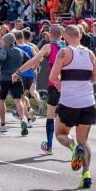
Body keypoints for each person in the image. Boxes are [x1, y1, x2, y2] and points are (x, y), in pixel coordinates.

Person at [47, 25, 96, 188]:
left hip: (69, 102)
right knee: (84, 140)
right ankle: (86, 174)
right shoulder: (90, 54)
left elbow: (52, 76)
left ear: (65, 36)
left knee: (61, 134)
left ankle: (73, 147)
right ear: (80, 36)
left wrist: (60, 82)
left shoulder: (64, 52)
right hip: (88, 102)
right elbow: (95, 79)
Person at [14, 25, 65, 153]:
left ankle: (49, 146)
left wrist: (18, 72)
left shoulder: (48, 47)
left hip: (55, 84)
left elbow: (34, 60)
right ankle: (76, 144)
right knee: (68, 116)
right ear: (62, 34)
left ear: (49, 34)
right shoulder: (68, 47)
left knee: (51, 115)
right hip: (69, 86)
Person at [0, 33, 30, 135]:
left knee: (1, 101)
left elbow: (2, 58)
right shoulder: (20, 51)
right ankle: (23, 120)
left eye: (2, 40)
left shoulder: (4, 50)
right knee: (18, 101)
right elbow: (29, 60)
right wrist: (20, 69)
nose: (1, 42)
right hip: (17, 79)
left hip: (4, 79)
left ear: (7, 42)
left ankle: (3, 125)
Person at [14, 30, 38, 125]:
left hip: (21, 75)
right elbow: (38, 59)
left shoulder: (15, 48)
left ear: (15, 39)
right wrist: (34, 69)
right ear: (23, 37)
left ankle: (27, 119)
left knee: (20, 99)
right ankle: (27, 116)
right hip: (30, 76)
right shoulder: (30, 47)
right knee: (23, 97)